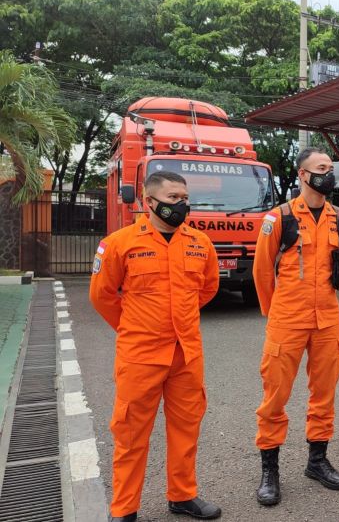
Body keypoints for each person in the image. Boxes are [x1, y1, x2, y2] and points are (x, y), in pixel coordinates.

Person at [89, 171, 221, 522]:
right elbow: (102, 295)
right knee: (131, 433)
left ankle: (182, 496)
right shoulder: (119, 243)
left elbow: (207, 289)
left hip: (186, 355)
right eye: (173, 198)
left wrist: (177, 321)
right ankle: (125, 509)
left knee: (186, 429)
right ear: (149, 202)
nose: (182, 204)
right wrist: (133, 327)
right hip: (141, 356)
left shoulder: (199, 243)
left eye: (184, 197)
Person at [252, 147, 339, 506]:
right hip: (287, 321)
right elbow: (262, 271)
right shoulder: (278, 218)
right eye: (320, 168)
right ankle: (270, 470)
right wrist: (274, 313)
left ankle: (317, 461)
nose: (328, 174)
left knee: (323, 395)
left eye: (330, 168)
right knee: (275, 398)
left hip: (326, 320)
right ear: (302, 175)